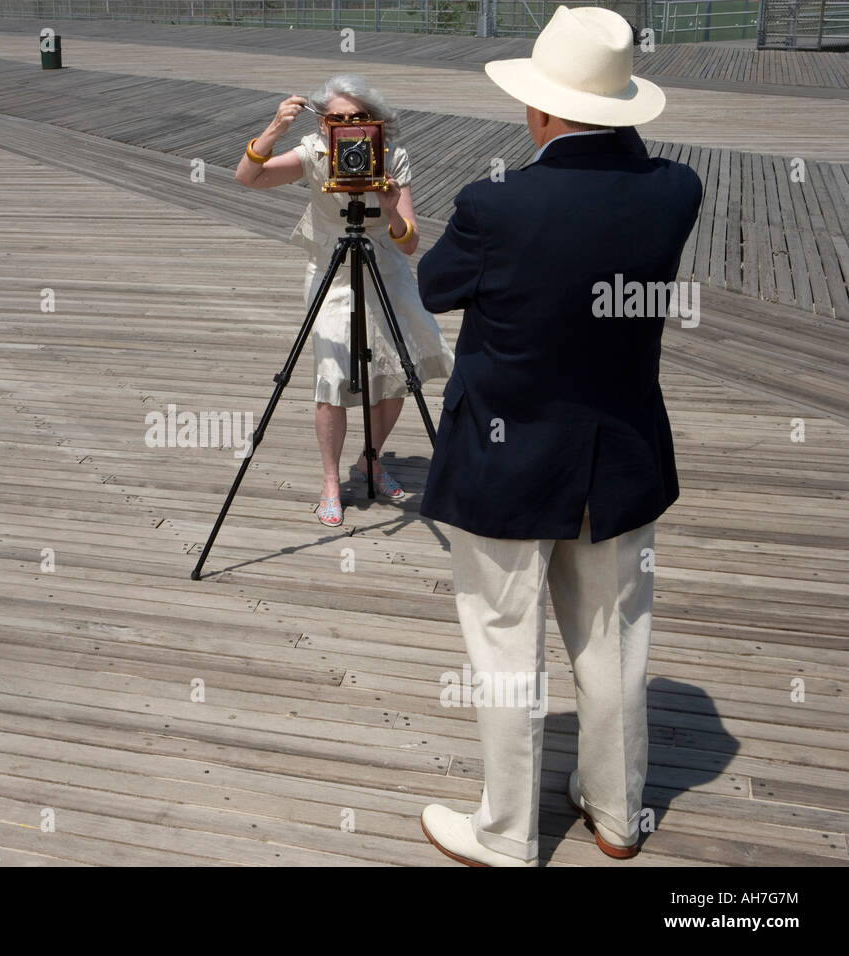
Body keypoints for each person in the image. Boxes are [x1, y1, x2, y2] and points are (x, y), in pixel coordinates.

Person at [415, 5, 703, 866]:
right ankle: (617, 815)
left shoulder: (494, 205)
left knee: (504, 645)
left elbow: (434, 287)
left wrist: (403, 223)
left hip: (502, 463)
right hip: (619, 454)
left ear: (540, 110)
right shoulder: (676, 191)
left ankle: (504, 835)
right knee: (614, 638)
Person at [235, 75, 455, 527]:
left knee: (398, 371)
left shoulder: (393, 157)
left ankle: (371, 461)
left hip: (387, 268)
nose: (348, 128)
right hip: (332, 271)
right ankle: (331, 482)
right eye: (337, 119)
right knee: (332, 378)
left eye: (359, 119)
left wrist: (391, 207)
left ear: (376, 122)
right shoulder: (314, 153)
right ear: (321, 123)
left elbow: (410, 243)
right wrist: (275, 126)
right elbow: (249, 177)